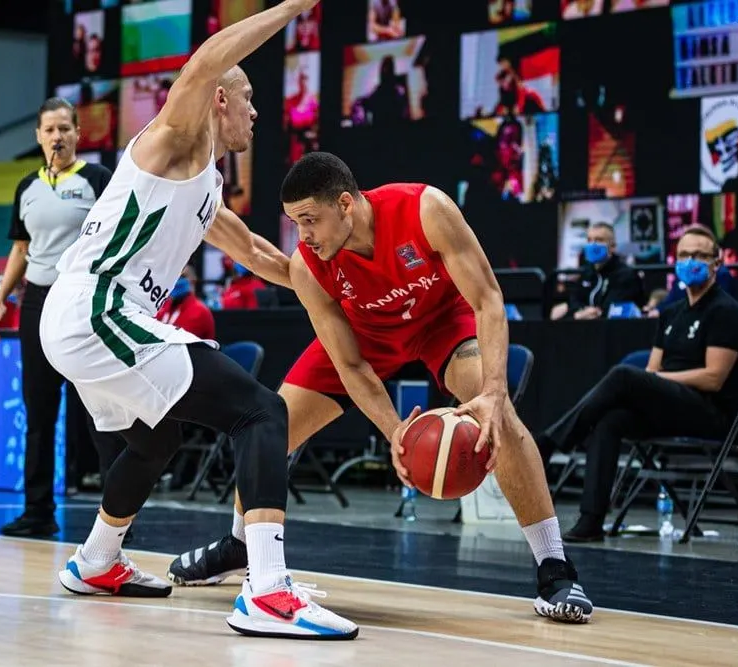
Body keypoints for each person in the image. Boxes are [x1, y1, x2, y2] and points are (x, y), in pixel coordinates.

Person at [39, 0, 357, 640]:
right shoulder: (174, 141)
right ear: (219, 99)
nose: (256, 113)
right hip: (97, 309)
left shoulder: (202, 183)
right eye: (248, 99)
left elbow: (263, 257)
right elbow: (205, 62)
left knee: (157, 440)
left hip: (83, 320)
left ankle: (96, 561)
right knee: (261, 412)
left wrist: (340, 288)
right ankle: (268, 591)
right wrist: (293, 7)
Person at [168, 151, 595, 624]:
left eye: (310, 220)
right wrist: (396, 433)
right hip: (365, 334)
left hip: (440, 321)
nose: (303, 236)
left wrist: (494, 390)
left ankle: (554, 565)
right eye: (294, 223)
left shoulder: (426, 210)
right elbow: (351, 366)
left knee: (499, 415)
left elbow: (488, 299)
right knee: (268, 424)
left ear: (345, 204)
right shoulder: (309, 266)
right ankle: (240, 543)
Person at [536, 225, 738, 542]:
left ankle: (549, 443)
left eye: (699, 256)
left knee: (624, 374)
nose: (690, 261)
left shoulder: (726, 311)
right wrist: (653, 381)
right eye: (684, 255)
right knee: (610, 420)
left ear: (716, 263)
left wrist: (656, 380)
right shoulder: (671, 312)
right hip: (673, 404)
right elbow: (652, 368)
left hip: (709, 411)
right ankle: (591, 520)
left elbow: (713, 378)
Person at [0, 97, 128, 538]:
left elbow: (118, 236)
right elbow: (20, 248)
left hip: (81, 302)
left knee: (99, 411)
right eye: (50, 129)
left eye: (65, 128)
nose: (57, 136)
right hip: (36, 302)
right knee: (39, 411)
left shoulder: (97, 179)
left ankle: (118, 517)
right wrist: (1, 298)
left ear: (77, 134)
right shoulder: (26, 187)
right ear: (38, 136)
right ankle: (37, 512)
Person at [552, 222, 644, 320]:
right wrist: (578, 314)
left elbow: (612, 309)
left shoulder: (626, 275)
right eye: (589, 240)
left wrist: (584, 313)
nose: (592, 244)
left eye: (599, 240)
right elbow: (574, 303)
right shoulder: (586, 273)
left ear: (612, 246)